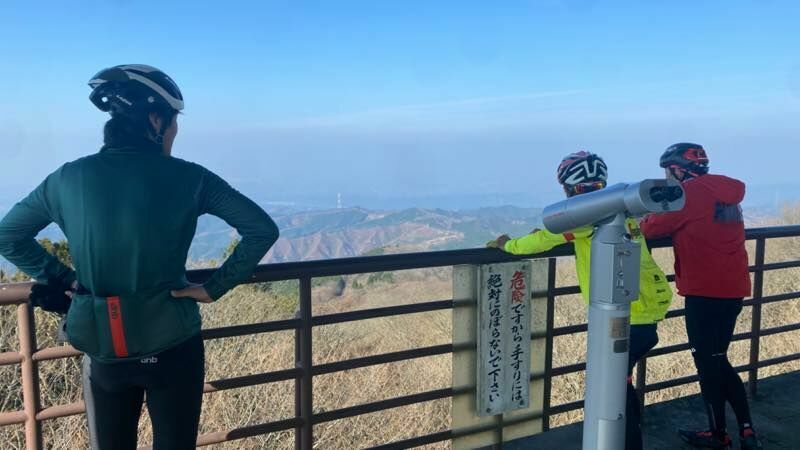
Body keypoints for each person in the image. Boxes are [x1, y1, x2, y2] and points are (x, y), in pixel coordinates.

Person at [0, 64, 280, 450]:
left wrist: (64, 278)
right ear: (155, 120)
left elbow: (8, 237)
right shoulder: (191, 177)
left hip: (104, 346)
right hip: (173, 341)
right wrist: (213, 287)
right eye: (174, 122)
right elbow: (262, 229)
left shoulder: (67, 178)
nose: (175, 132)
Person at [487, 151, 672, 450]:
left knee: (610, 389)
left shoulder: (587, 215)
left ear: (569, 188)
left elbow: (542, 240)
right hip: (644, 308)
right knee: (618, 386)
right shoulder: (618, 207)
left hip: (629, 315)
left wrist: (507, 244)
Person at [640, 143, 762, 450]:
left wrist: (645, 216)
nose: (667, 178)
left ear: (678, 170)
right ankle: (747, 430)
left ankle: (719, 435)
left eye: (668, 172)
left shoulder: (689, 194)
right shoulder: (724, 190)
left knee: (707, 364)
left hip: (704, 291)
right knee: (718, 359)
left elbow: (651, 228)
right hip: (733, 287)